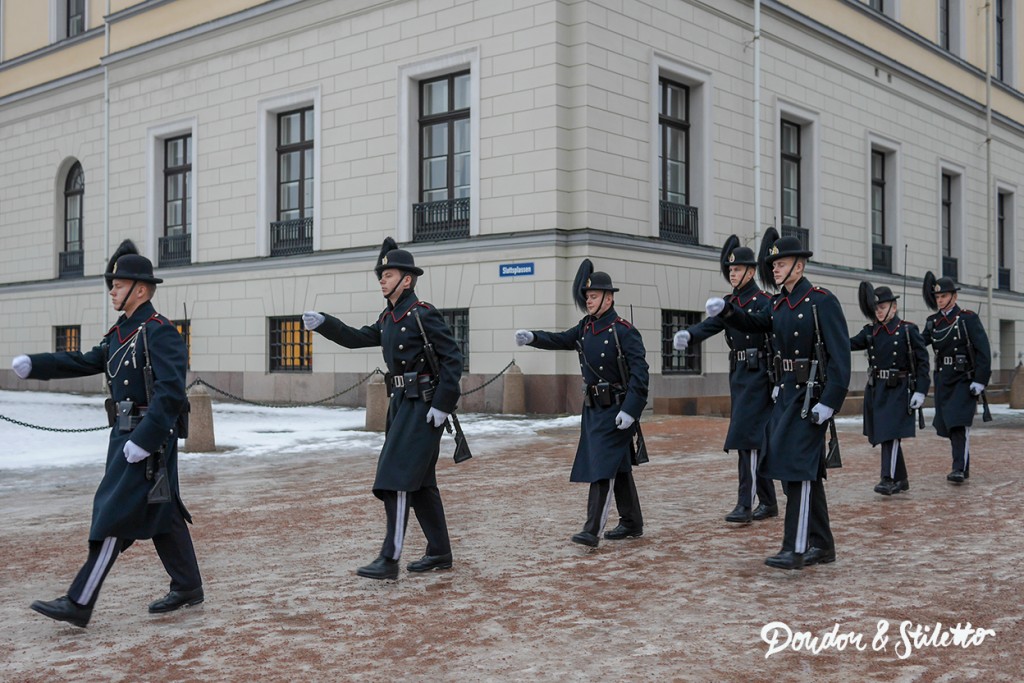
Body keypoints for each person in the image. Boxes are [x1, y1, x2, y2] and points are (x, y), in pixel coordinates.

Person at [12, 240, 201, 628]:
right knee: (161, 512)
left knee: (113, 516)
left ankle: (79, 601)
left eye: (118, 284)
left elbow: (169, 393)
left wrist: (145, 440)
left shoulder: (159, 331)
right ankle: (188, 586)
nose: (112, 290)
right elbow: (83, 360)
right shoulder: (120, 333)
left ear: (141, 290)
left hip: (147, 440)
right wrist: (35, 365)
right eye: (112, 284)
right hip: (124, 435)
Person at [303, 238, 463, 580]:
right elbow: (357, 337)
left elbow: (453, 359)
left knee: (397, 479)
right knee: (420, 484)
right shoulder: (389, 317)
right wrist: (325, 323)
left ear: (407, 279)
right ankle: (440, 551)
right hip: (401, 405)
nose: (382, 279)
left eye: (388, 274)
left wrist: (442, 404)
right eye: (381, 274)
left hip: (423, 407)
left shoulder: (422, 313)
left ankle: (389, 558)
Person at [705, 229, 850, 570]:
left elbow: (841, 357)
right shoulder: (779, 303)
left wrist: (830, 401)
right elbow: (755, 324)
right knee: (800, 472)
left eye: (781, 263)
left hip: (811, 397)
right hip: (786, 395)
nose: (775, 269)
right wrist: (726, 312)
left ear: (799, 266)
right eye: (773, 265)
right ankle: (822, 545)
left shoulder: (820, 301)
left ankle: (795, 547)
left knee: (797, 471)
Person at [515, 260, 649, 547]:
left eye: (594, 295)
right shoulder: (585, 328)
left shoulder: (623, 330)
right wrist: (533, 337)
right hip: (593, 409)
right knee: (617, 465)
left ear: (609, 298)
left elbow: (640, 374)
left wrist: (630, 410)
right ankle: (632, 521)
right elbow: (560, 339)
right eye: (587, 296)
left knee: (601, 468)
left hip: (616, 410)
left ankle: (592, 530)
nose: (588, 300)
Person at [674, 236, 778, 524]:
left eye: (738, 269)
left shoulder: (764, 302)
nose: (732, 274)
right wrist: (690, 335)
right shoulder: (729, 302)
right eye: (730, 270)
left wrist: (780, 380)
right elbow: (711, 325)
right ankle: (768, 502)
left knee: (748, 440)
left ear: (751, 271)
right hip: (740, 376)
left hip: (761, 375)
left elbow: (771, 334)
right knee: (751, 438)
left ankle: (745, 504)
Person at [849, 283, 930, 496]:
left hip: (899, 387)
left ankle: (888, 478)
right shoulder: (870, 331)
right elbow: (848, 343)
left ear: (894, 308)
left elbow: (922, 362)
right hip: (877, 389)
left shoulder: (907, 329)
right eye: (876, 308)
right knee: (885, 433)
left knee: (890, 435)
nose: (879, 311)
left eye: (883, 307)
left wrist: (921, 391)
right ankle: (901, 479)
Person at [920, 273, 991, 484]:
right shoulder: (933, 322)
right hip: (943, 379)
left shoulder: (967, 318)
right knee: (950, 425)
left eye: (944, 296)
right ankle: (963, 466)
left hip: (963, 379)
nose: (940, 300)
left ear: (954, 297)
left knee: (959, 424)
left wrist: (980, 380)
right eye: (937, 297)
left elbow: (983, 351)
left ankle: (958, 468)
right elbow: (919, 343)